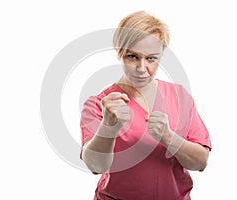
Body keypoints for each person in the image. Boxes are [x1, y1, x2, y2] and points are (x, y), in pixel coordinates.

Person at [80, 10, 212, 200]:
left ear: (161, 55)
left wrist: (168, 137)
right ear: (119, 53)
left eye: (151, 58)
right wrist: (108, 128)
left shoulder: (180, 97)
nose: (142, 68)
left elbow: (201, 162)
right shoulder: (99, 104)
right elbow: (95, 167)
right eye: (132, 57)